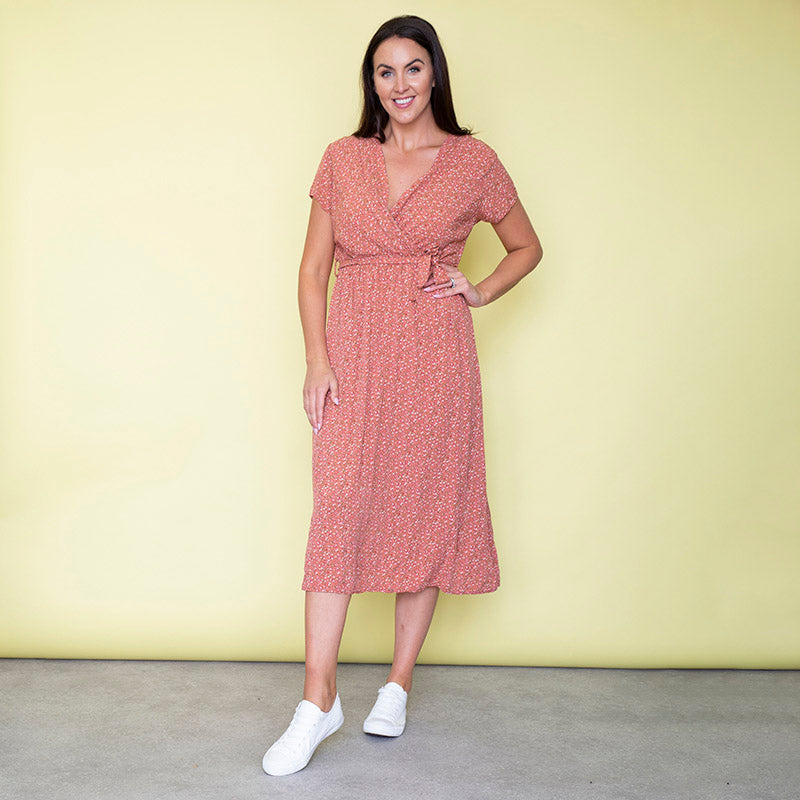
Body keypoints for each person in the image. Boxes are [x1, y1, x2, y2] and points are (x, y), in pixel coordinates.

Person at [262, 14, 543, 776]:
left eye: (413, 68)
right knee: (339, 511)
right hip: (353, 356)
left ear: (435, 73)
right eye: (384, 72)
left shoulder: (474, 161)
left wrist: (479, 289)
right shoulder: (342, 159)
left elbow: (527, 246)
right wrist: (317, 360)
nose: (399, 84)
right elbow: (311, 268)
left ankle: (398, 683)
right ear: (372, 83)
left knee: (424, 507)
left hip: (435, 357)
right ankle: (317, 699)